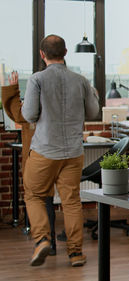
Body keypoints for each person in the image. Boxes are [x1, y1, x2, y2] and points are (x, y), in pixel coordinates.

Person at [21, 34, 99, 267]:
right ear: (65, 53)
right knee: (71, 201)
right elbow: (93, 113)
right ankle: (75, 253)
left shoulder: (37, 80)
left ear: (42, 54)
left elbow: (29, 115)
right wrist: (92, 93)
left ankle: (43, 239)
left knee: (33, 194)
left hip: (45, 151)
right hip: (73, 152)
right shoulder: (81, 80)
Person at [1, 71, 58, 255]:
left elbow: (16, 113)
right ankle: (51, 244)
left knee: (38, 200)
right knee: (47, 201)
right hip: (54, 157)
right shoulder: (54, 104)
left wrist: (13, 89)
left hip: (37, 160)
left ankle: (45, 242)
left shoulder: (32, 109)